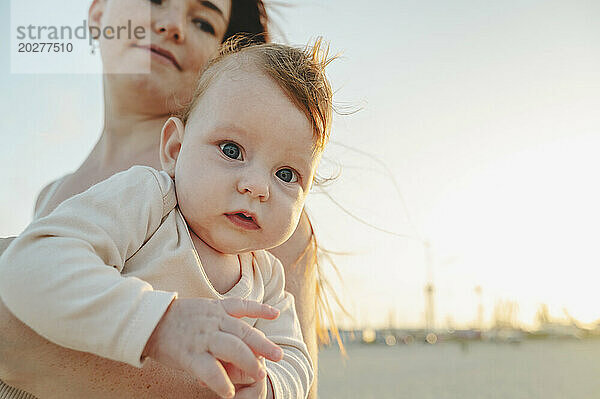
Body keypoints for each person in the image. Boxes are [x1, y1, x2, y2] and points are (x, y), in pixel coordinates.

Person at [0, 1, 330, 398]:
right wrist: (159, 324)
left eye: (203, 23)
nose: (174, 25)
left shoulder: (257, 228)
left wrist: (269, 385)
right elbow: (30, 272)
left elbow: (292, 361)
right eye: (155, 0)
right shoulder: (62, 195)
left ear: (220, 56)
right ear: (99, 12)